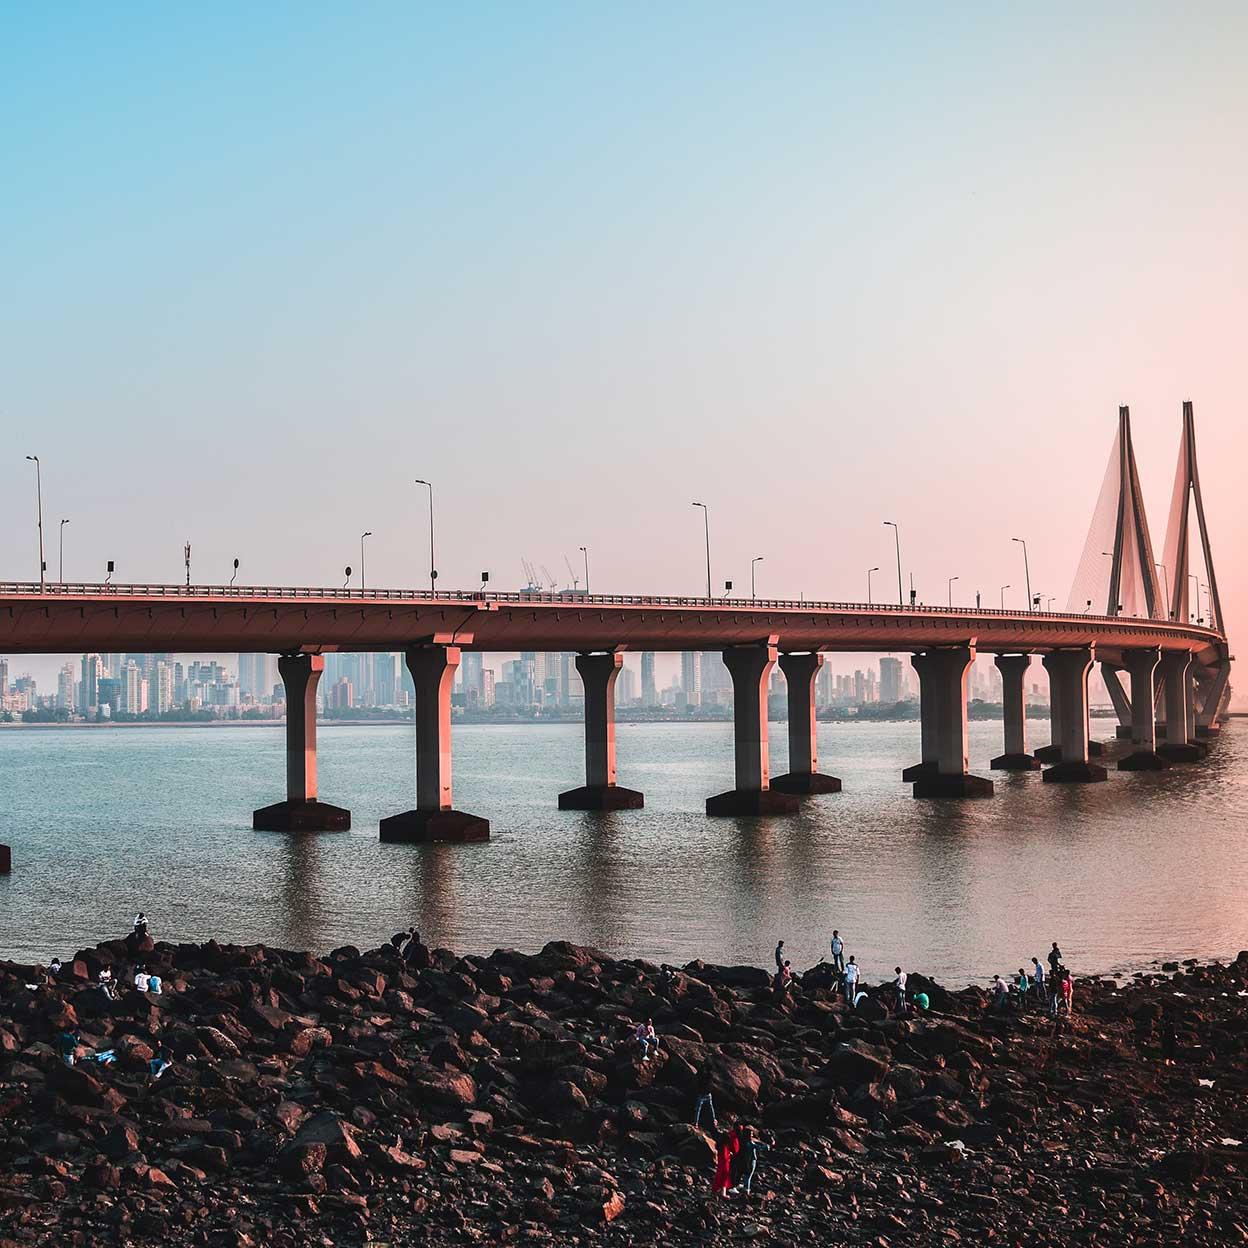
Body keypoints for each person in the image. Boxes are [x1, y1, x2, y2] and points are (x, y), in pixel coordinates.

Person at [736, 1124, 770, 1196]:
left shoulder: (743, 1141)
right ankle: (747, 1190)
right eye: (751, 1134)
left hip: (744, 1160)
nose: (752, 1135)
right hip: (751, 1161)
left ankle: (744, 1188)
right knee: (748, 1176)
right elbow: (760, 1147)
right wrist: (766, 1146)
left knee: (746, 1175)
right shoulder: (750, 1143)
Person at [712, 1127, 739, 1197]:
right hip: (725, 1163)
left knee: (720, 1177)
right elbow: (725, 1156)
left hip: (721, 1163)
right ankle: (723, 1193)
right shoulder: (724, 1147)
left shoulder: (720, 1145)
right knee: (725, 1177)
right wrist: (730, 1155)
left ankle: (717, 1190)